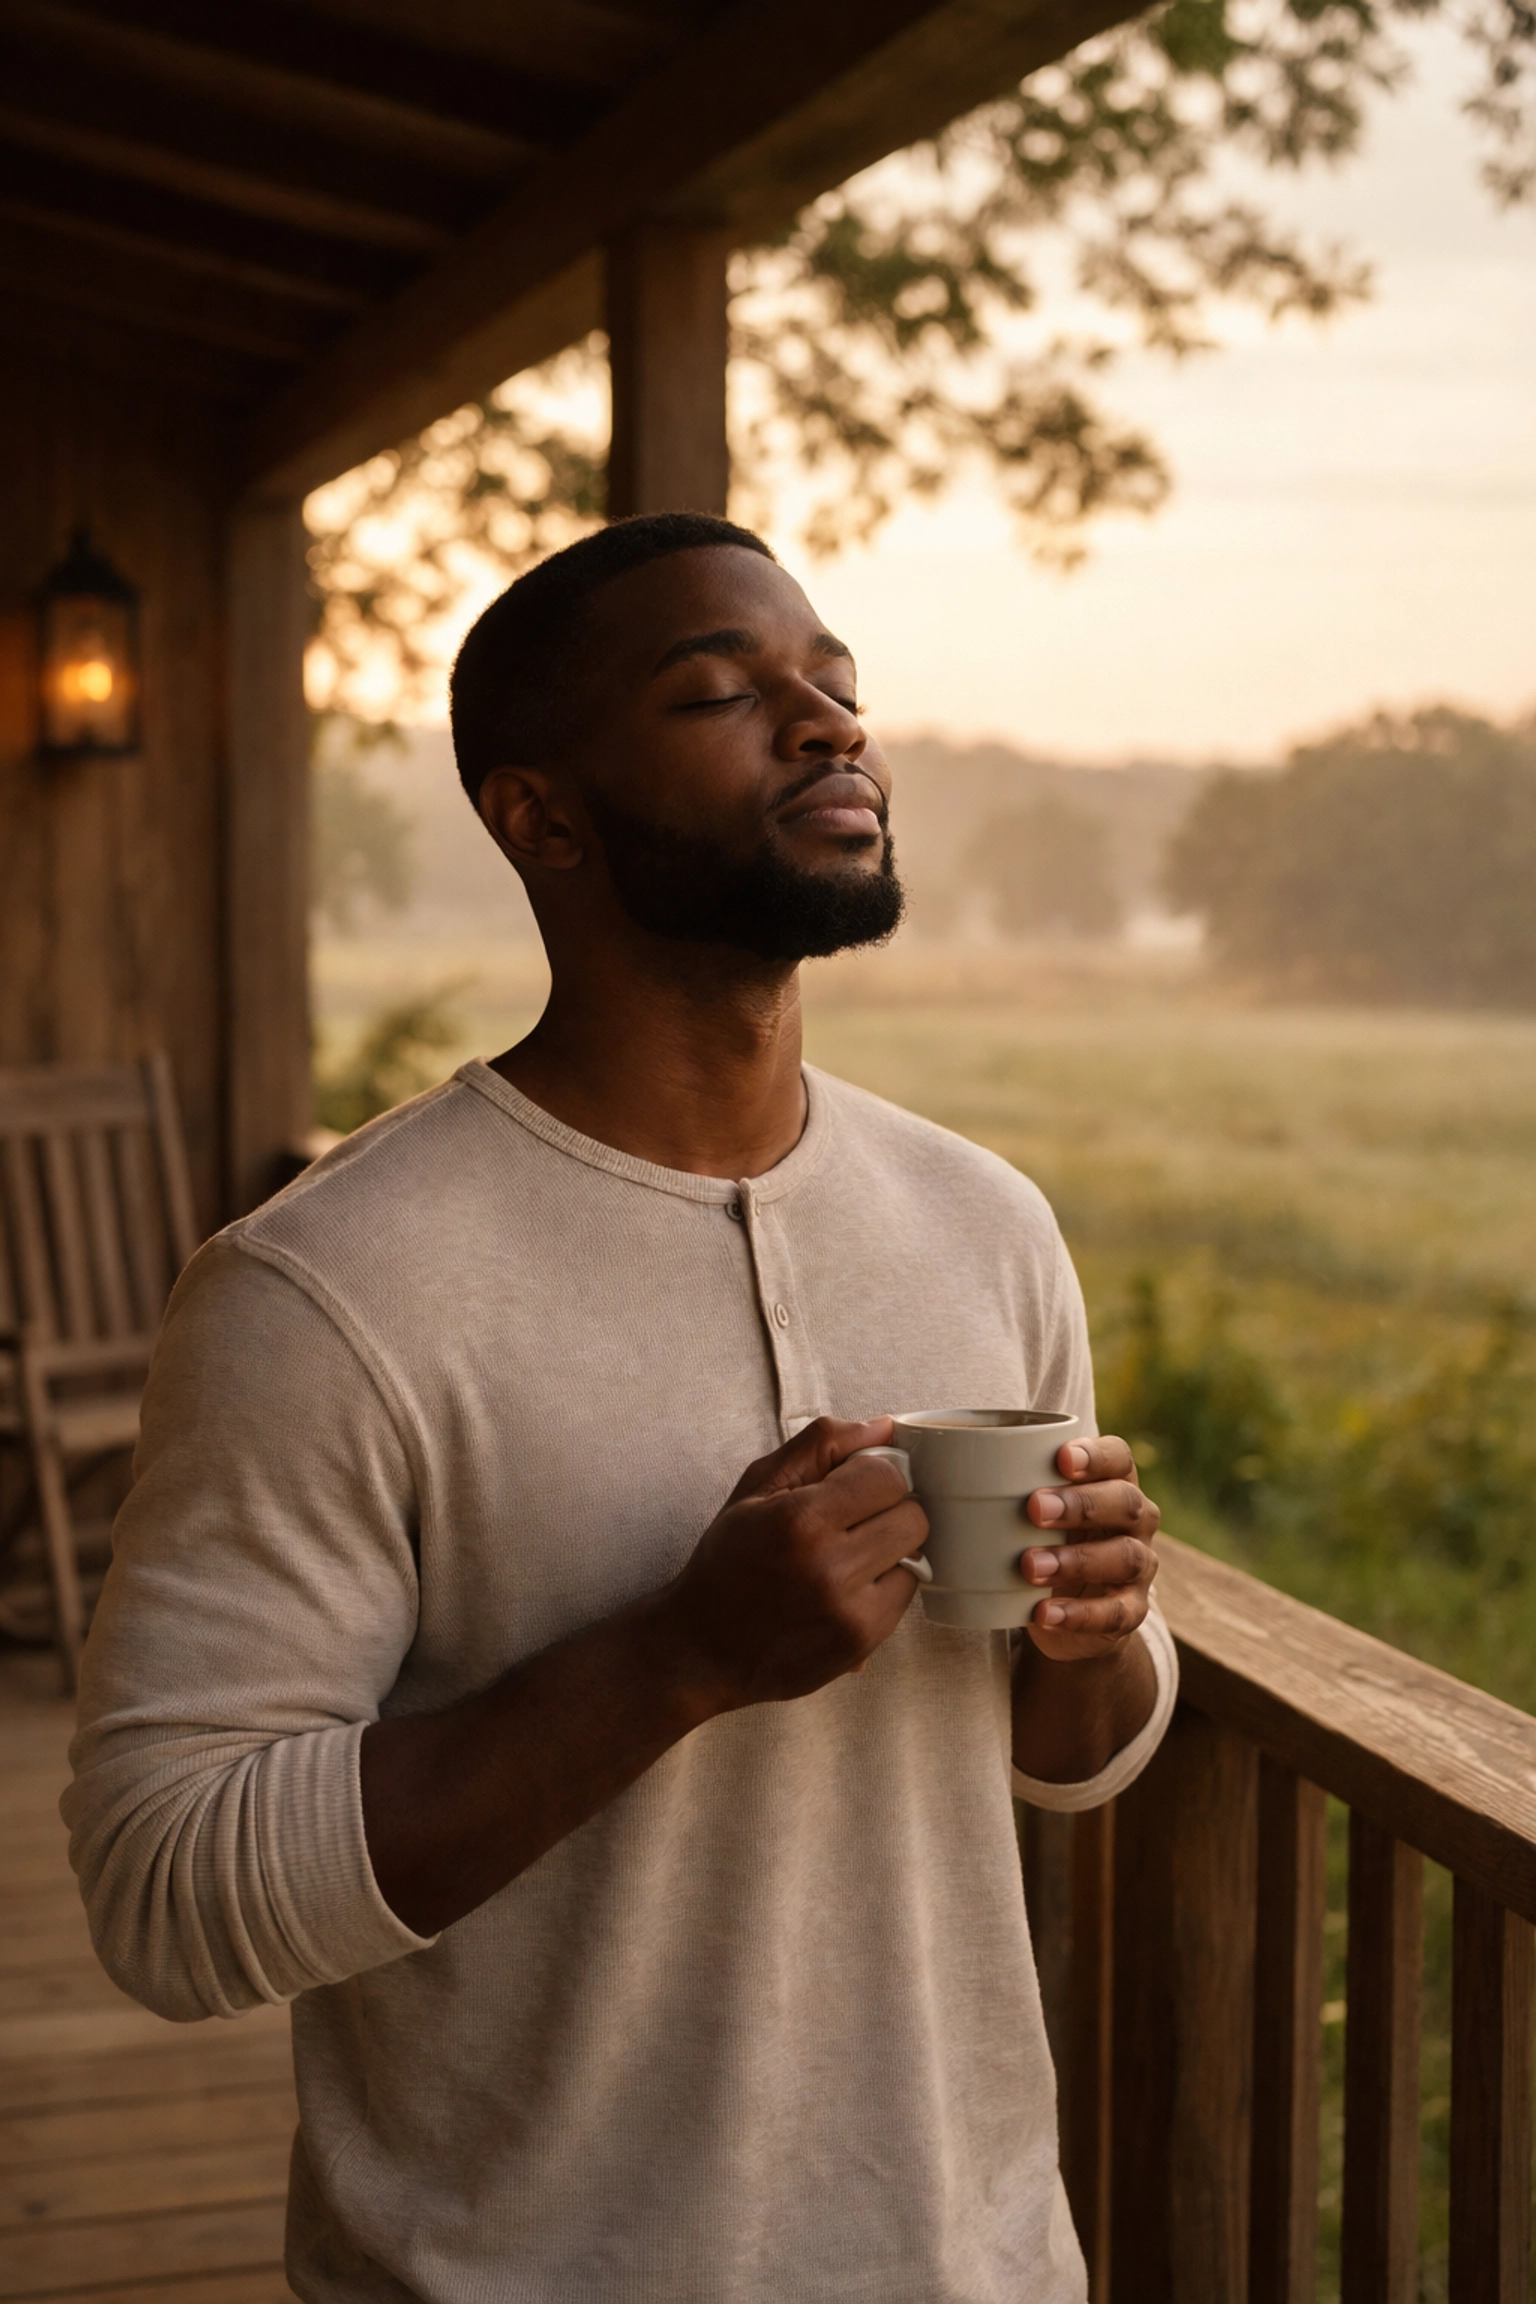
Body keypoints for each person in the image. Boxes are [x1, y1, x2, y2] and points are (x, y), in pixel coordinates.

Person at [65, 512, 1175, 2304]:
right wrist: (677, 1656)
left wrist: (1089, 1635)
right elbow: (167, 1892)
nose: (826, 726)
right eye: (723, 694)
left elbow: (1069, 1759)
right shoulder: (325, 1294)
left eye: (838, 687)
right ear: (539, 817)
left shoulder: (987, 1223)